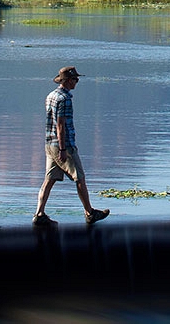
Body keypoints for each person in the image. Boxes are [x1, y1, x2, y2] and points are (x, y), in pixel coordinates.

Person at [32, 66, 110, 227]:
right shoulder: (64, 99)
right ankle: (90, 213)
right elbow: (60, 125)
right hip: (64, 146)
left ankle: (39, 213)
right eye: (75, 79)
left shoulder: (51, 95)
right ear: (68, 81)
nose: (77, 82)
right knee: (79, 177)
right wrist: (63, 149)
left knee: (49, 179)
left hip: (49, 143)